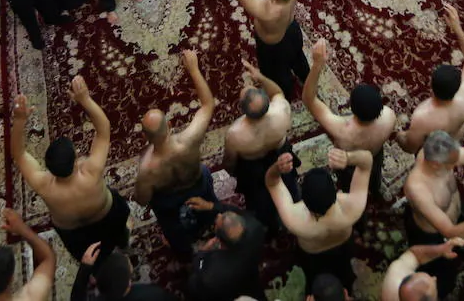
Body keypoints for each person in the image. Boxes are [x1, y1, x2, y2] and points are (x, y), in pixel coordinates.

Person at [11, 76, 128, 287]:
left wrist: (19, 121)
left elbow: (18, 154)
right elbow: (104, 129)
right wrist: (84, 99)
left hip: (75, 235)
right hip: (109, 217)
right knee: (119, 230)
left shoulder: (43, 184)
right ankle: (123, 242)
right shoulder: (90, 171)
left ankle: (94, 272)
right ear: (76, 162)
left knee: (89, 256)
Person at [134, 49, 217, 253]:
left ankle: (183, 249)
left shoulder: (146, 170)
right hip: (198, 184)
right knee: (207, 188)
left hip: (169, 203)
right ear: (169, 125)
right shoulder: (190, 139)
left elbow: (142, 200)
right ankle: (211, 221)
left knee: (172, 226)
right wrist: (194, 69)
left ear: (144, 136)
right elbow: (208, 105)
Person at [402, 131, 464, 295]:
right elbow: (449, 232)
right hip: (432, 236)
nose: (457, 163)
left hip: (455, 214)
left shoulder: (442, 153)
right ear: (435, 164)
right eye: (452, 163)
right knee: (444, 278)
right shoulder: (417, 189)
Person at [267, 148, 373, 290]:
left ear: (303, 200)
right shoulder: (352, 207)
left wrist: (276, 168)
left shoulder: (293, 218)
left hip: (312, 254)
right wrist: (348, 157)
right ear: (336, 192)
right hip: (343, 245)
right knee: (345, 273)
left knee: (314, 281)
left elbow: (272, 182)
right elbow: (367, 161)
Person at [303, 39, 397, 199]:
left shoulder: (341, 129)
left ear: (352, 109)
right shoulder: (389, 116)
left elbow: (309, 99)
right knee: (374, 175)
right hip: (374, 156)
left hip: (349, 165)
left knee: (348, 186)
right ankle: (374, 189)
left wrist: (317, 65)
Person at [223, 62, 298, 231]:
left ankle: (269, 227)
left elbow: (229, 162)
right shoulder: (281, 110)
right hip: (280, 154)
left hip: (253, 168)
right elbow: (278, 92)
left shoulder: (235, 133)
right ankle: (293, 212)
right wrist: (261, 77)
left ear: (242, 110)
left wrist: (235, 174)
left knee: (259, 203)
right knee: (289, 188)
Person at [395, 7, 464, 154]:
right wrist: (457, 28)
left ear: (431, 87)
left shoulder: (423, 116)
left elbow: (411, 147)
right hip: (454, 137)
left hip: (432, 152)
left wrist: (399, 135)